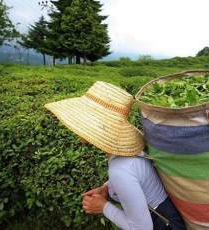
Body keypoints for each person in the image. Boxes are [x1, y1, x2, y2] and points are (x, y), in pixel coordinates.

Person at [44, 81, 186, 230]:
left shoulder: (120, 171)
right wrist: (107, 187)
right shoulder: (128, 154)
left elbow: (141, 228)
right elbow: (136, 176)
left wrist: (103, 207)